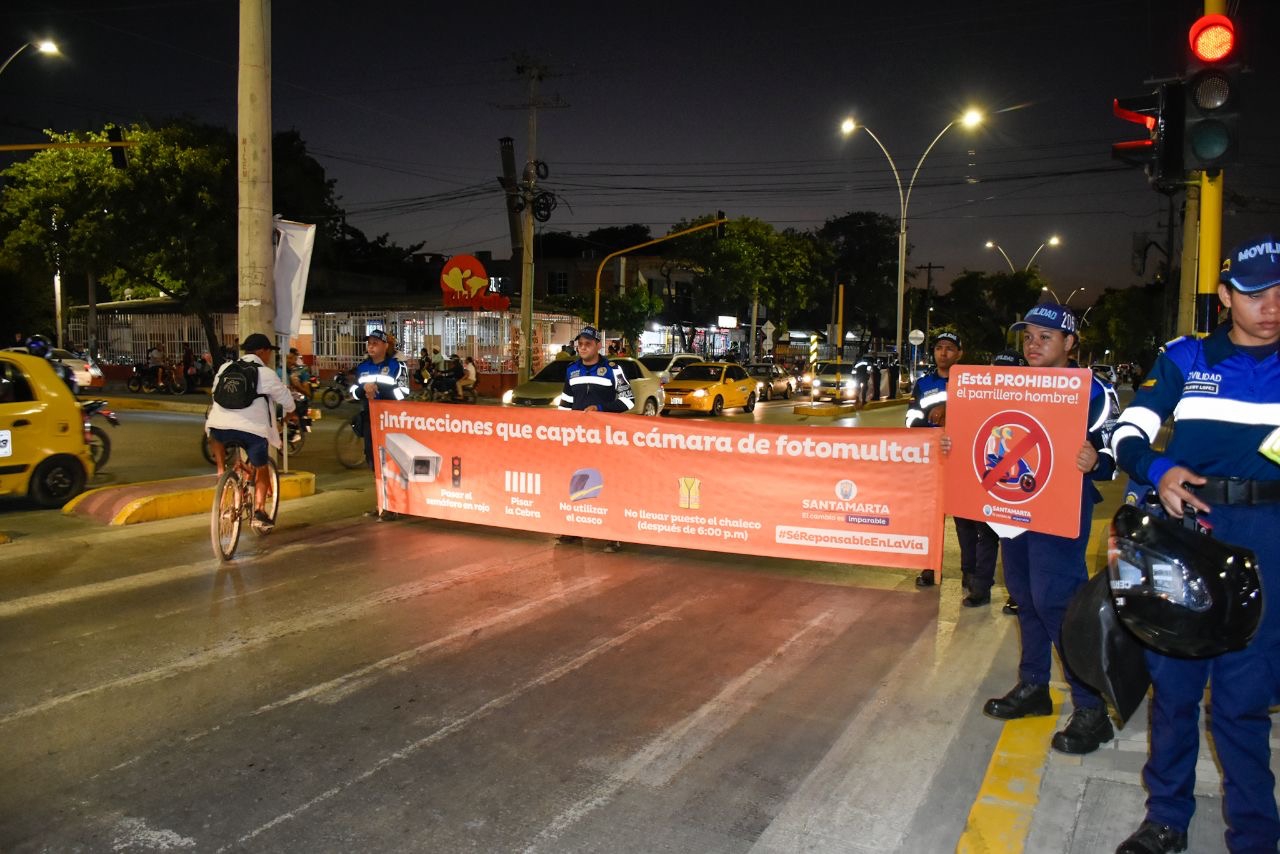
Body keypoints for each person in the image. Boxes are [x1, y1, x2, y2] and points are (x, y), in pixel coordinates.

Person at [1108, 235, 1280, 854]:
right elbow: (1130, 429)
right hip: (1190, 536)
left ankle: (1257, 836)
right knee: (1176, 689)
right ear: (1228, 297)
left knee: (1244, 698)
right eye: (1257, 293)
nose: (1272, 305)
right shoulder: (1186, 359)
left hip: (1270, 538)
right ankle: (1167, 820)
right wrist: (1157, 471)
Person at [976, 302, 1119, 756]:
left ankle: (1092, 709)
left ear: (1070, 342)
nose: (1033, 345)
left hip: (1061, 506)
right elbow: (987, 431)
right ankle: (1034, 685)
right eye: (1028, 337)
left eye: (1046, 337)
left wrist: (1098, 461)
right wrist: (955, 442)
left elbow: (1116, 450)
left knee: (1058, 602)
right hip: (1016, 505)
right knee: (1025, 596)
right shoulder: (1010, 384)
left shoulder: (1094, 390)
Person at [906, 332, 999, 606]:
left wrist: (950, 409)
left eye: (949, 348)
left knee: (966, 521)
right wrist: (933, 426)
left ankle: (969, 574)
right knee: (930, 518)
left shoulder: (972, 381)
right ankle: (929, 566)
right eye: (938, 348)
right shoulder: (923, 384)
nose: (943, 353)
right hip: (933, 460)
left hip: (965, 461)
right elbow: (911, 420)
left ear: (960, 353)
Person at [205, 333, 297, 532]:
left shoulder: (224, 368)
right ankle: (260, 511)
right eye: (268, 352)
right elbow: (287, 401)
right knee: (261, 468)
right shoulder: (266, 373)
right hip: (252, 431)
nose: (269, 356)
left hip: (219, 426)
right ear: (262, 351)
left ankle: (221, 471)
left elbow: (215, 393)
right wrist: (289, 416)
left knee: (216, 435)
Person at [557, 325, 635, 553]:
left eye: (588, 344)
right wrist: (560, 428)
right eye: (579, 344)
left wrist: (601, 408)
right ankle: (574, 528)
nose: (582, 347)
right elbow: (565, 403)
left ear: (598, 346)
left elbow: (628, 401)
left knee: (608, 483)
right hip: (579, 439)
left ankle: (613, 534)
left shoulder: (614, 369)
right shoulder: (571, 370)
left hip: (606, 439)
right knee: (578, 482)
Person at [350, 329, 409, 520]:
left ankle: (395, 504)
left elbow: (404, 393)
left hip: (391, 421)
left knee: (391, 462)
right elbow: (352, 391)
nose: (371, 345)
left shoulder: (397, 366)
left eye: (376, 342)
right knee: (374, 461)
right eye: (369, 342)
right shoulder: (362, 367)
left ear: (385, 346)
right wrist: (362, 391)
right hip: (370, 420)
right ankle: (382, 503)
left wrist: (380, 389)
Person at [990, 348, 1029, 616]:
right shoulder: (986, 400)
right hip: (1001, 490)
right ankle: (1017, 595)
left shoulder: (1035, 397)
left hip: (1034, 487)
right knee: (1009, 542)